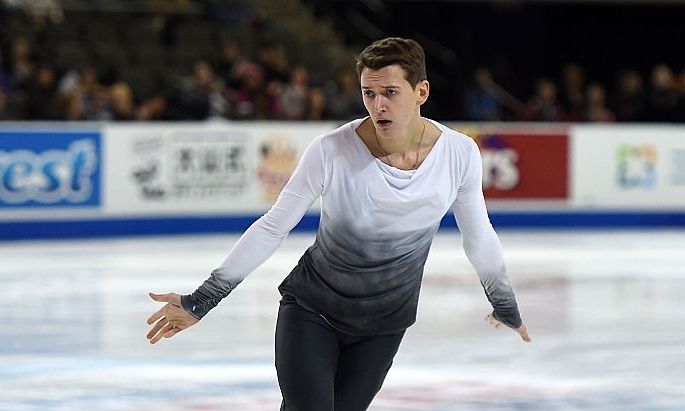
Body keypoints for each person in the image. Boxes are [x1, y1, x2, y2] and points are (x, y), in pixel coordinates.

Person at [146, 37, 531, 411]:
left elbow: (479, 234)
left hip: (384, 325)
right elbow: (273, 226)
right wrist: (204, 298)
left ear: (421, 92)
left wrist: (503, 302)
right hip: (312, 311)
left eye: (390, 93)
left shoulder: (459, 153)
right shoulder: (331, 150)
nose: (378, 105)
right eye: (368, 93)